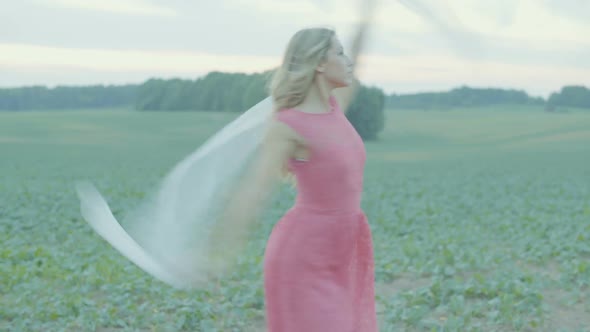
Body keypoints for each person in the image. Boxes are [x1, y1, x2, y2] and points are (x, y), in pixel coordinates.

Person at [216, 1, 378, 331]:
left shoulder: (336, 107)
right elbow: (253, 191)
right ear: (320, 63)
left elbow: (360, 52)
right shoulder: (288, 126)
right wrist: (223, 249)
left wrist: (369, 12)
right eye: (340, 54)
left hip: (344, 249)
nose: (348, 62)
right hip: (303, 256)